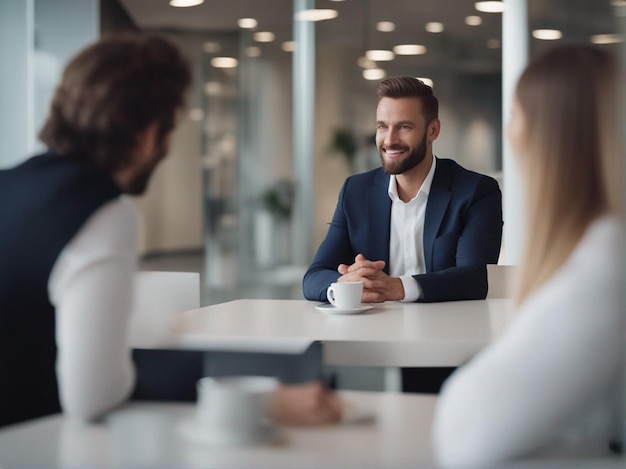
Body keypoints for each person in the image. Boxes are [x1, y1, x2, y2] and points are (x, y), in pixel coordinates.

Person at [0, 33, 340, 428]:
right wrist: (253, 399)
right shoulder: (101, 210)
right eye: (170, 131)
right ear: (148, 135)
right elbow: (92, 396)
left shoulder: (9, 183)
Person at [433, 44, 623, 466]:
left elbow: (464, 434)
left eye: (515, 116)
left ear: (548, 134)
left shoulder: (602, 272)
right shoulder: (598, 252)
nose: (508, 130)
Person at [303, 76, 503, 392]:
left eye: (404, 127)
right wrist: (346, 285)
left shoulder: (476, 191)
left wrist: (395, 287)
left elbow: (473, 278)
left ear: (433, 130)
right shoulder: (356, 191)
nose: (389, 139)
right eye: (382, 126)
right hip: (371, 341)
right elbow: (314, 276)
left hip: (449, 344)